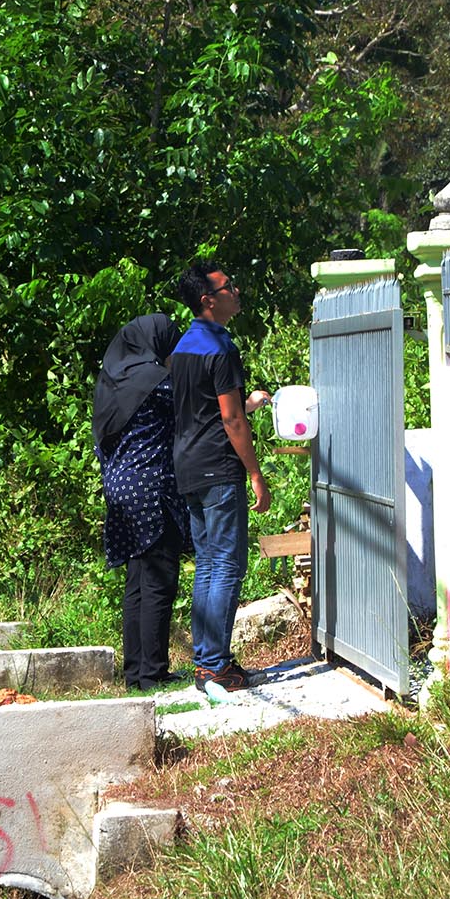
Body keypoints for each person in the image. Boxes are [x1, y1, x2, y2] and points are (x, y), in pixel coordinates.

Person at [170, 262, 272, 693]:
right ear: (208, 300)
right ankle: (216, 665)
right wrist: (255, 473)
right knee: (228, 564)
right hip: (218, 468)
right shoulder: (221, 347)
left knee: (208, 564)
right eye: (228, 287)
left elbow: (205, 408)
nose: (236, 291)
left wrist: (248, 404)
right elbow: (230, 420)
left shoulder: (182, 347)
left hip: (188, 467)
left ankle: (206, 663)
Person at [93, 313, 194, 691]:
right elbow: (197, 408)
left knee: (137, 583)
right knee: (159, 582)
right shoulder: (155, 380)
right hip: (151, 490)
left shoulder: (112, 383)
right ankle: (153, 673)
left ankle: (136, 673)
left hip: (119, 490)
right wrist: (243, 404)